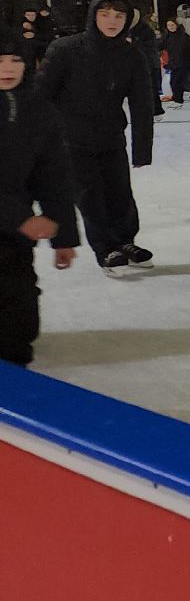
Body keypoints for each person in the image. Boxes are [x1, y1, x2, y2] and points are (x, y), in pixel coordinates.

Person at [33, 0, 156, 274]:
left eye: (118, 16)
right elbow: (40, 96)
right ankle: (105, 248)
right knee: (90, 196)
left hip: (111, 138)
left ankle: (125, 241)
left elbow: (142, 103)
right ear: (93, 15)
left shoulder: (131, 54)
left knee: (120, 194)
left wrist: (142, 149)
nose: (112, 21)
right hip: (72, 141)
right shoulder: (65, 49)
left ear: (126, 20)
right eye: (105, 14)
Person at [0, 29, 78, 367]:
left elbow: (53, 177)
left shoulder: (40, 111)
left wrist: (64, 237)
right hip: (14, 219)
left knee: (20, 329)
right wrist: (20, 218)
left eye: (16, 59)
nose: (8, 67)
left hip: (13, 233)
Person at [126, 8, 165, 117]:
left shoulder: (144, 30)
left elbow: (149, 47)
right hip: (138, 63)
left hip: (148, 63)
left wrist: (133, 43)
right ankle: (146, 109)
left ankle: (156, 110)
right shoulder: (130, 30)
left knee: (150, 87)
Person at [160, 18, 190, 107]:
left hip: (184, 62)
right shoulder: (167, 37)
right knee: (173, 82)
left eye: (172, 25)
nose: (170, 27)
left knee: (177, 82)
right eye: (169, 25)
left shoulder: (184, 36)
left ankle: (178, 101)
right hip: (174, 63)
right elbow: (158, 46)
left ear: (177, 25)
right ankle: (176, 99)